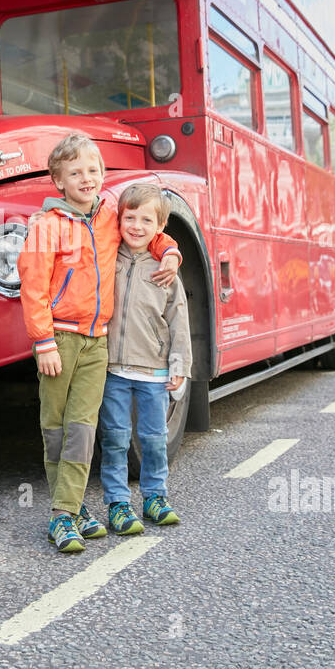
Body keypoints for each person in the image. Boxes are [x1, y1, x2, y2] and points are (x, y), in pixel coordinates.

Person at [17, 133, 181, 553]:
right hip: (59, 339)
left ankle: (68, 509)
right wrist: (43, 342)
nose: (86, 179)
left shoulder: (109, 218)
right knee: (56, 428)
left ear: (102, 174)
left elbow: (146, 228)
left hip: (96, 343)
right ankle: (64, 513)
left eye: (93, 171)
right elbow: (33, 288)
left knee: (83, 430)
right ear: (59, 181)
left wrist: (170, 252)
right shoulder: (47, 227)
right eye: (75, 173)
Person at [99, 183, 191, 534]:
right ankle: (118, 504)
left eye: (146, 220)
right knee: (116, 437)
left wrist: (179, 366)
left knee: (154, 437)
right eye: (129, 217)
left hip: (153, 369)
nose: (137, 226)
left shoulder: (165, 269)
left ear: (160, 227)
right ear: (119, 220)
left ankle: (155, 496)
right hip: (113, 370)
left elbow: (178, 318)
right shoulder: (108, 256)